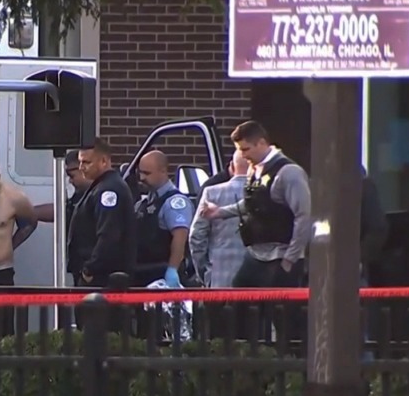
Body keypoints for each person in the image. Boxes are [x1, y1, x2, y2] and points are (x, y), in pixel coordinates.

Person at [200, 120, 312, 289]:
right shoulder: (255, 170)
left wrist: (290, 259)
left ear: (261, 143)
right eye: (239, 150)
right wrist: (219, 212)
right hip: (256, 254)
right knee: (239, 302)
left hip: (280, 255)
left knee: (276, 311)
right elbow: (252, 203)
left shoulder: (289, 173)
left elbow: (303, 216)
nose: (243, 156)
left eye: (246, 149)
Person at [67, 138, 137, 288]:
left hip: (102, 279)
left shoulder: (109, 190)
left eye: (86, 162)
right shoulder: (101, 186)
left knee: (95, 312)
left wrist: (90, 269)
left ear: (103, 161)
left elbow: (109, 234)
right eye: (80, 162)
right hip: (98, 276)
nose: (81, 167)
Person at [132, 150, 195, 288]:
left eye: (147, 173)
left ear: (163, 171)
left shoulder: (174, 202)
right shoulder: (143, 203)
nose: (141, 177)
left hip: (161, 275)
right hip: (141, 273)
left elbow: (180, 238)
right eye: (140, 172)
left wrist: (172, 270)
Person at [189, 151, 250, 288]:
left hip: (219, 278)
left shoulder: (212, 193)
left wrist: (204, 271)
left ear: (232, 167)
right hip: (257, 283)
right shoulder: (266, 194)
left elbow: (196, 236)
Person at [33, 150, 91, 226]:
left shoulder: (99, 194)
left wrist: (31, 212)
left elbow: (62, 212)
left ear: (83, 169)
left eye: (72, 176)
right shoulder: (81, 195)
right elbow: (63, 210)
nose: (70, 181)